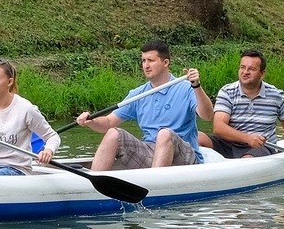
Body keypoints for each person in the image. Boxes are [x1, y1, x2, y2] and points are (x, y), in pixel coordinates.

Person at [78, 40, 213, 170]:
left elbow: (207, 116)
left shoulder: (186, 88)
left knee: (164, 134)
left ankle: (155, 182)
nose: (146, 65)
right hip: (151, 152)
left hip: (185, 156)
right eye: (143, 61)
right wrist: (91, 121)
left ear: (165, 62)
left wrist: (196, 86)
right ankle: (94, 181)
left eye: (151, 60)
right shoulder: (138, 94)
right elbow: (108, 122)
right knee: (113, 133)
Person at [210, 50, 284, 161]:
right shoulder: (227, 92)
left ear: (262, 74)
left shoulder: (275, 95)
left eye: (252, 69)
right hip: (230, 144)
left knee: (248, 159)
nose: (245, 72)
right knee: (200, 138)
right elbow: (218, 127)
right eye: (242, 67)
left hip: (261, 147)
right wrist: (247, 138)